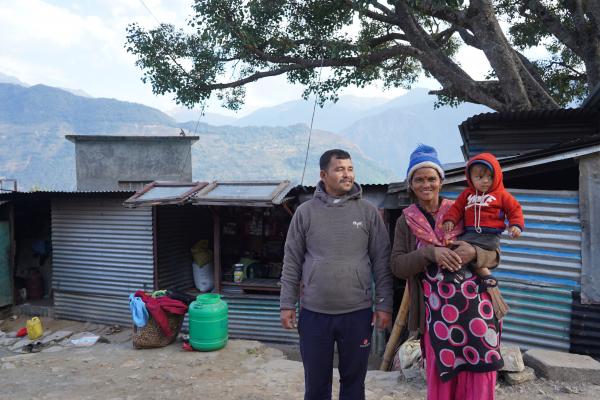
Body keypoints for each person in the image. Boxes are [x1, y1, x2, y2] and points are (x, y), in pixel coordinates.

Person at [390, 144, 505, 400]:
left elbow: (494, 255)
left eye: (431, 178)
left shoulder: (464, 211)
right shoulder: (405, 221)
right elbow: (397, 266)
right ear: (411, 184)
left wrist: (473, 253)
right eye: (419, 179)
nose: (426, 185)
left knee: (479, 374)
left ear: (441, 181)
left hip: (477, 311)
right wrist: (429, 253)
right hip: (436, 319)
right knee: (444, 378)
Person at [280, 149, 393, 400]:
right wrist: (287, 303)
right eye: (340, 169)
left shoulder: (368, 212)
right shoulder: (305, 213)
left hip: (357, 313)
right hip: (314, 314)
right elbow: (292, 262)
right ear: (323, 174)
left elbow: (381, 263)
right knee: (316, 384)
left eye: (350, 169)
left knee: (354, 383)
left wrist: (384, 304)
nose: (347, 174)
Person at [441, 153, 524, 286]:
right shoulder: (467, 194)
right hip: (470, 233)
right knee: (454, 247)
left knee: (461, 251)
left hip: (489, 237)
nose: (485, 181)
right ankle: (486, 278)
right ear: (470, 178)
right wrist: (450, 220)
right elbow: (456, 208)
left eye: (490, 176)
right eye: (479, 177)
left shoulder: (502, 195)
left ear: (496, 176)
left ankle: (457, 273)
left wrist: (516, 225)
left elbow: (515, 210)